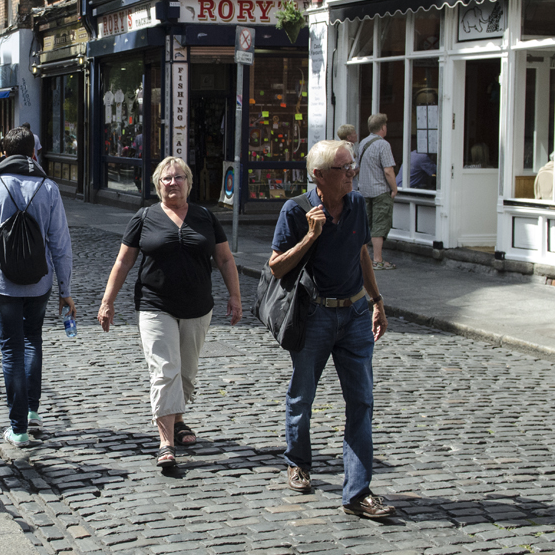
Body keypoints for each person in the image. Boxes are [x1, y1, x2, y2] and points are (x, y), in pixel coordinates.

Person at [268, 139, 393, 519]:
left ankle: (358, 492)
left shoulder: (356, 205)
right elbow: (276, 267)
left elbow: (361, 255)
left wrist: (377, 301)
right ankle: (298, 460)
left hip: (354, 314)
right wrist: (310, 236)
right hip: (316, 316)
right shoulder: (296, 210)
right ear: (319, 175)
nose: (352, 173)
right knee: (302, 395)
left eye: (352, 166)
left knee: (361, 402)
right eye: (345, 168)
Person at [96, 157, 242, 469]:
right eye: (166, 179)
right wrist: (108, 301)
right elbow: (123, 262)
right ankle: (166, 442)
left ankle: (176, 420)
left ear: (189, 183)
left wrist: (235, 296)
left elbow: (226, 259)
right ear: (157, 185)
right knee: (164, 371)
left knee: (185, 375)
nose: (172, 183)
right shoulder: (144, 217)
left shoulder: (204, 217)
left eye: (178, 178)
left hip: (197, 308)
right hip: (155, 306)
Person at [0, 126, 75, 448]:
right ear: (34, 151)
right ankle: (32, 411)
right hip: (40, 280)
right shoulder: (48, 187)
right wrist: (65, 289)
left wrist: (4, 242)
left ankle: (17, 429)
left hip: (2, 280)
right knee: (33, 339)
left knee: (10, 348)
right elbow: (60, 242)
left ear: (4, 152)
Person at [357, 114, 398, 270]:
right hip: (380, 190)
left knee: (366, 225)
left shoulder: (363, 143)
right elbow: (388, 170)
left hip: (364, 189)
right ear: (383, 127)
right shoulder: (383, 145)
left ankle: (364, 259)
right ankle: (377, 260)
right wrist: (394, 189)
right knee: (379, 226)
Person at [337, 124, 360, 191]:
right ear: (349, 137)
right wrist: (359, 169)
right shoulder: (346, 151)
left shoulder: (348, 149)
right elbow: (348, 172)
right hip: (349, 189)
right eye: (354, 133)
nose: (357, 135)